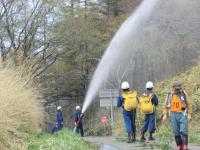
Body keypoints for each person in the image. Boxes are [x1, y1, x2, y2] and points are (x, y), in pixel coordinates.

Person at [163, 81, 190, 150]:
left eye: (179, 88)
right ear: (173, 88)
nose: (178, 90)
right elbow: (165, 105)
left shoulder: (183, 94)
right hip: (173, 114)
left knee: (183, 130)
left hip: (182, 113)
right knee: (176, 131)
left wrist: (189, 114)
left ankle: (185, 146)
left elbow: (188, 104)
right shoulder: (170, 95)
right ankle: (179, 146)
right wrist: (165, 114)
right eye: (176, 88)